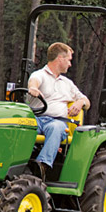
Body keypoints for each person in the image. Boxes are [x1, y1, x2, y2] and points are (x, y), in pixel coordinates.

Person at [27, 42, 90, 179]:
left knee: (56, 127)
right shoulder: (39, 75)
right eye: (69, 60)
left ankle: (42, 165)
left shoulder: (67, 83)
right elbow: (33, 83)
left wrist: (80, 103)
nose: (70, 64)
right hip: (35, 120)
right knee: (19, 125)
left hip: (55, 122)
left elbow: (87, 101)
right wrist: (33, 89)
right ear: (60, 58)